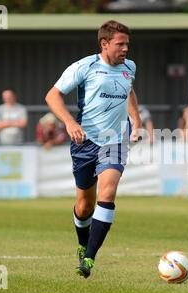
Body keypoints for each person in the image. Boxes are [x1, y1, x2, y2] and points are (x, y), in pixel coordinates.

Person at [45, 20, 142, 278]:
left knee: (107, 192)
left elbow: (130, 91)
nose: (125, 50)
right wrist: (69, 122)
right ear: (104, 43)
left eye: (127, 45)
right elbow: (52, 96)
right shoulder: (84, 66)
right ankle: (82, 242)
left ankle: (89, 258)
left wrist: (137, 121)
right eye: (120, 44)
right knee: (84, 206)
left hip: (115, 140)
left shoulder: (129, 67)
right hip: (85, 142)